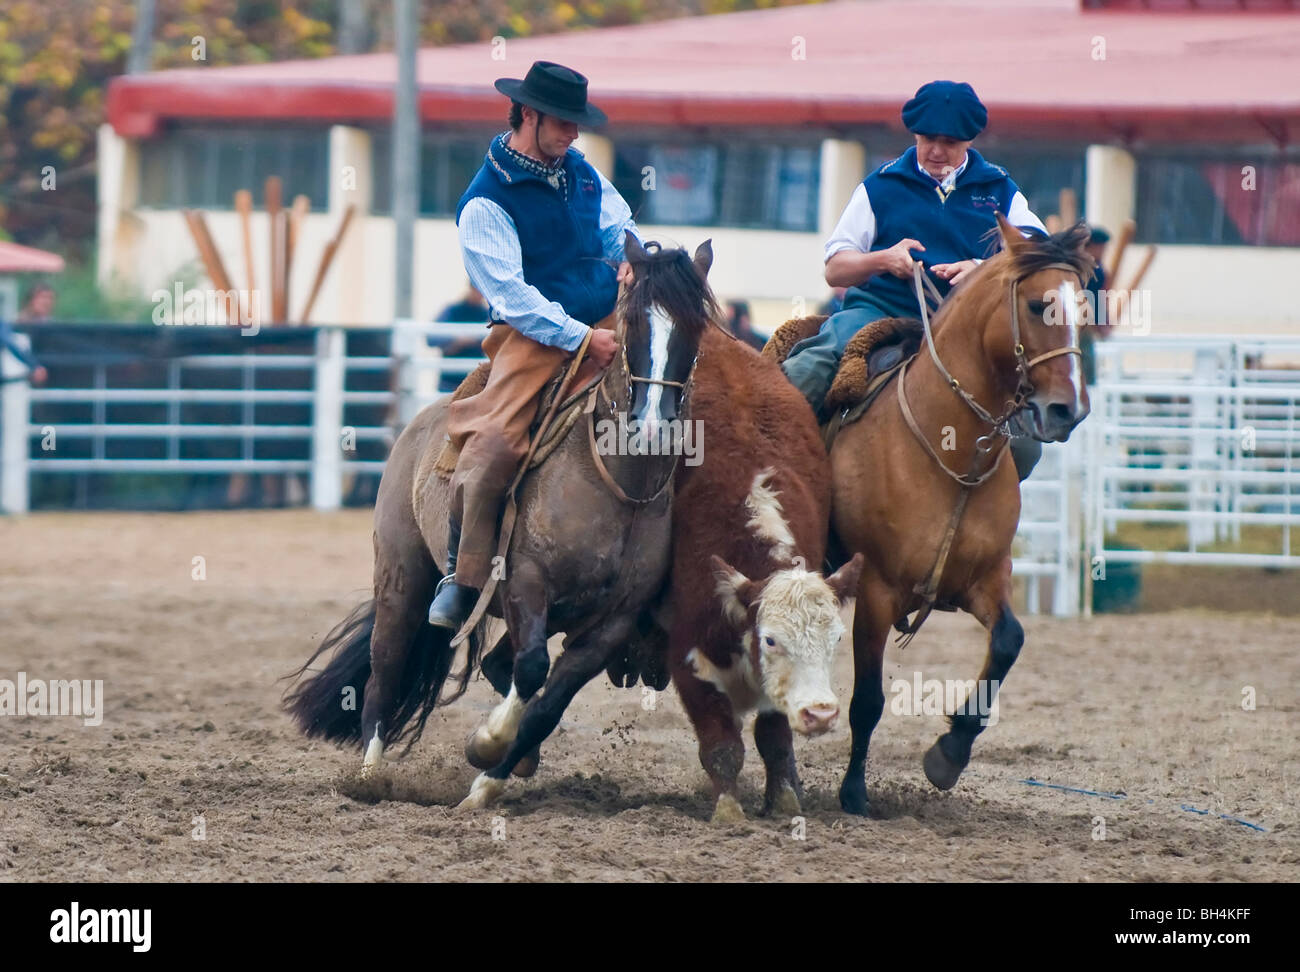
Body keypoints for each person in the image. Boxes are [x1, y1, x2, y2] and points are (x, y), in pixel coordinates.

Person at [428, 60, 639, 631]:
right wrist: (579, 339)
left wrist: (632, 258)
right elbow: (513, 296)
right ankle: (463, 574)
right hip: (534, 335)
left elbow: (618, 226)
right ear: (528, 114)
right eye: (564, 124)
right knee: (494, 444)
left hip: (607, 312)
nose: (574, 135)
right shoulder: (485, 201)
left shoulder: (582, 172)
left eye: (577, 124)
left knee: (682, 389)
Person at [780, 79, 1048, 477]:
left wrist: (981, 266)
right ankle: (782, 472)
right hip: (879, 312)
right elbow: (835, 267)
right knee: (809, 369)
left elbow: (1037, 247)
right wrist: (883, 260)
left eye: (949, 142)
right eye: (927, 139)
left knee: (1024, 443)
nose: (937, 151)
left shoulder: (999, 189)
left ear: (969, 142)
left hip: (967, 323)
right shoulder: (881, 186)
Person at [430, 285, 491, 394]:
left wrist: (471, 340)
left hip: (474, 380)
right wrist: (456, 341)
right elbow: (432, 339)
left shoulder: (486, 314)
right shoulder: (452, 311)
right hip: (450, 379)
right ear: (470, 289)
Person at [1080, 225, 1112, 385]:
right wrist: (1101, 322)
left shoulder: (1096, 269)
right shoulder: (1089, 269)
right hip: (1081, 324)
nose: (1103, 252)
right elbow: (1095, 299)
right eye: (1100, 248)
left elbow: (1099, 299)